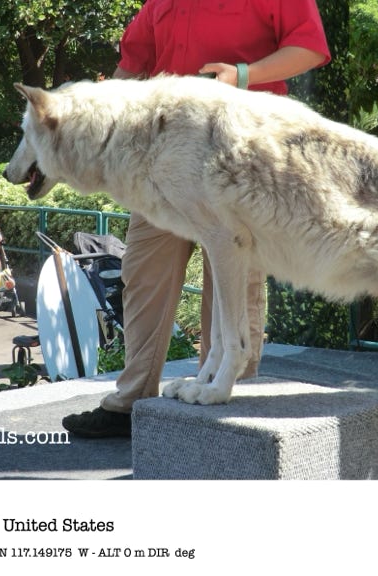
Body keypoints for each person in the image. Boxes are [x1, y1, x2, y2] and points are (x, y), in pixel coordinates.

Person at [62, 0, 331, 438]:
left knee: (232, 277)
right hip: (161, 159)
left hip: (243, 152)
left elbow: (310, 48)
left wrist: (242, 75)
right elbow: (132, 67)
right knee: (143, 274)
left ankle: (223, 402)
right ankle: (131, 404)